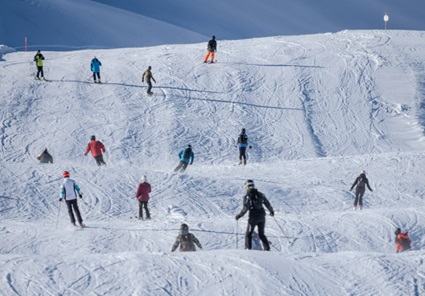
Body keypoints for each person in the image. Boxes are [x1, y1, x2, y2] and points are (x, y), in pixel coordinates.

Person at [235, 180, 274, 251]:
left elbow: (245, 208)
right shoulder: (260, 194)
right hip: (262, 216)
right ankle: (267, 249)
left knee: (249, 234)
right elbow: (267, 203)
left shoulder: (247, 196)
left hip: (253, 217)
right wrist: (271, 211)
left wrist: (239, 216)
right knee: (261, 234)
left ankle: (248, 249)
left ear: (247, 187)